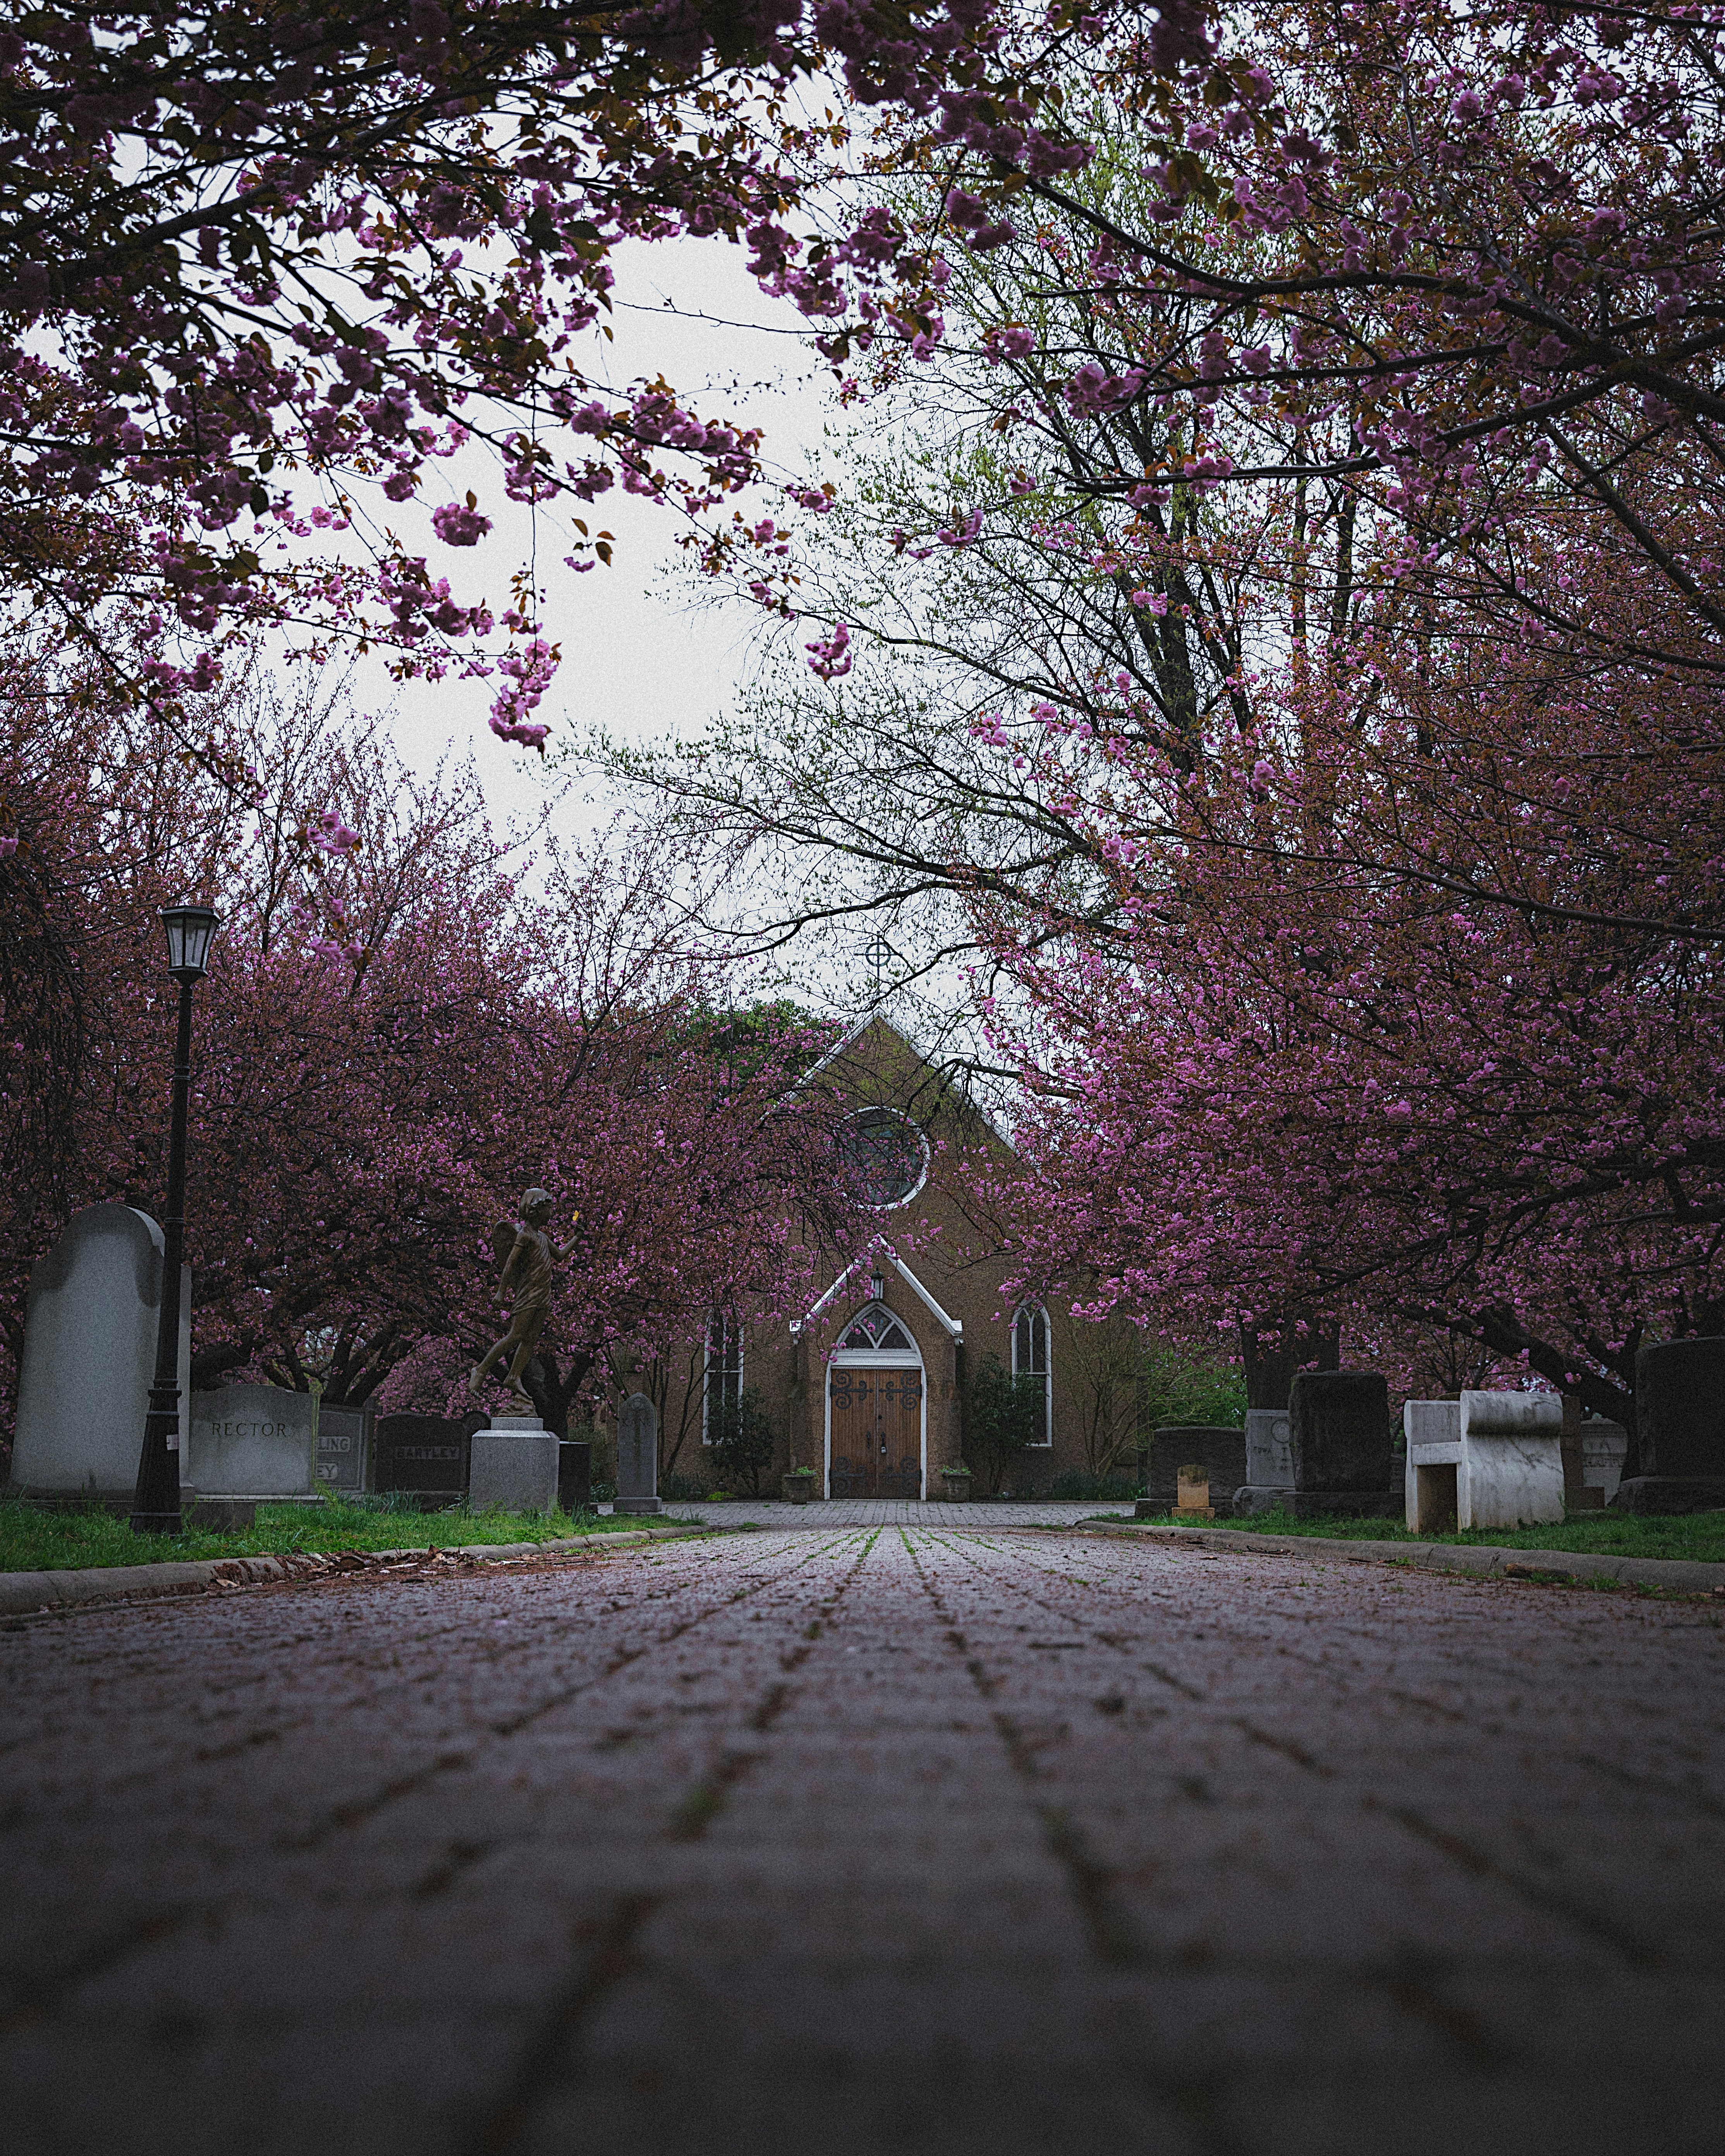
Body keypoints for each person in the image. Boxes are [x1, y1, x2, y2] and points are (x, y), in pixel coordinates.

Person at [469, 1187, 577, 1406]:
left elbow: (561, 1255)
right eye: (548, 1208)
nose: (551, 1213)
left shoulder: (543, 1237)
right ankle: (480, 1370)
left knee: (530, 1340)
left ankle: (513, 1376)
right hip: (528, 1293)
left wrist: (578, 1237)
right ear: (536, 1209)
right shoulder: (524, 1235)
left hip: (543, 1294)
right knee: (515, 1335)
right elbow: (509, 1264)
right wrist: (502, 1290)